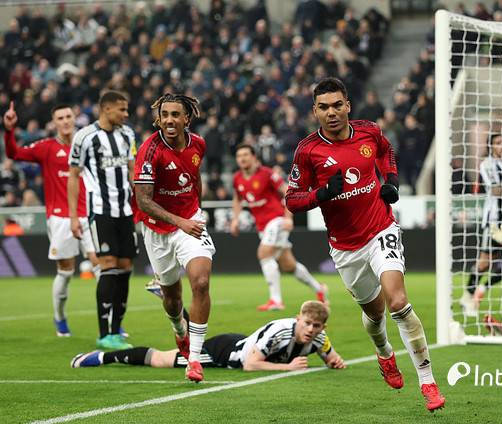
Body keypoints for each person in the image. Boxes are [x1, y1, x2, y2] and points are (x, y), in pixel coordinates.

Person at [284, 77, 445, 412]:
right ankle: (384, 353)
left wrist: (392, 181)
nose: (331, 113)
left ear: (348, 106)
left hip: (381, 229)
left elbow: (386, 152)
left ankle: (428, 382)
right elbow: (292, 200)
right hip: (346, 248)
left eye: (337, 105)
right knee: (375, 313)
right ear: (315, 111)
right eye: (324, 107)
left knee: (398, 301)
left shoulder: (369, 131)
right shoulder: (308, 151)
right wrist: (321, 194)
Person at [133, 93, 215, 383]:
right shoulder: (149, 151)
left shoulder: (198, 144)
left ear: (186, 119)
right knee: (172, 298)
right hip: (158, 230)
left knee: (201, 282)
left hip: (190, 222)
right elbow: (143, 201)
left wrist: (196, 211)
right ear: (158, 119)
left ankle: (194, 359)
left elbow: (195, 176)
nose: (169, 120)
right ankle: (179, 330)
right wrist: (180, 221)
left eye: (175, 114)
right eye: (164, 114)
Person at [4, 102, 100, 337]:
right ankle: (60, 317)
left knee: (101, 267)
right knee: (66, 271)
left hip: (89, 215)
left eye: (68, 116)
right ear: (54, 123)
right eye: (60, 118)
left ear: (74, 119)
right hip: (60, 218)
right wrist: (9, 129)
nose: (65, 121)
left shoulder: (88, 145)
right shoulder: (46, 148)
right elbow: (14, 153)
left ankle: (111, 323)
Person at [71, 301, 345, 371]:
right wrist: (288, 367)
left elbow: (332, 357)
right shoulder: (280, 331)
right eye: (307, 323)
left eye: (316, 326)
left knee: (185, 343)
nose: (311, 330)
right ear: (298, 319)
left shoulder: (319, 339)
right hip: (225, 352)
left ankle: (176, 308)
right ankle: (102, 357)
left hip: (240, 341)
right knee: (161, 359)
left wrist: (335, 362)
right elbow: (251, 365)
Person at [68, 90, 137, 350]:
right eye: (122, 109)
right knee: (107, 265)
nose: (126, 114)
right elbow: (73, 176)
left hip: (126, 211)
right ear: (106, 109)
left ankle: (117, 329)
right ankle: (104, 333)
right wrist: (74, 216)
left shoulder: (128, 134)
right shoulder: (84, 137)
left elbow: (132, 170)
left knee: (125, 266)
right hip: (101, 211)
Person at [230, 144, 328, 311]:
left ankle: (276, 300)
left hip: (277, 220)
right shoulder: (237, 178)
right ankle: (319, 289)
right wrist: (235, 219)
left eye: (245, 155)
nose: (242, 158)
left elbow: (288, 192)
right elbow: (237, 199)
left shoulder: (268, 174)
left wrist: (288, 217)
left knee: (264, 253)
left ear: (254, 157)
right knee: (289, 265)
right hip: (262, 226)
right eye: (239, 156)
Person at [460, 134, 502, 317]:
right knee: (484, 263)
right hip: (495, 223)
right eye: (498, 143)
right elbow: (496, 190)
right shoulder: (487, 165)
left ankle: (483, 287)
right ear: (491, 146)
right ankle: (468, 296)